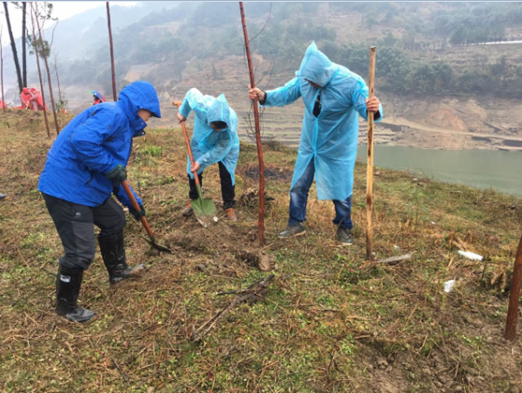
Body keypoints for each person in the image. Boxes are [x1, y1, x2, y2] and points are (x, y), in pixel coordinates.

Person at [38, 81, 161, 323]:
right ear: (139, 106)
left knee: (115, 218)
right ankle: (65, 307)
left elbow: (116, 175)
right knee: (80, 252)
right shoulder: (113, 114)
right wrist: (109, 167)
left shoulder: (124, 126)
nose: (148, 119)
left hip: (87, 185)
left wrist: (134, 204)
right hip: (67, 188)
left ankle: (118, 272)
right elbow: (82, 141)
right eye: (149, 113)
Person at [248, 42, 382, 246]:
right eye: (306, 80)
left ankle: (343, 227)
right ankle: (295, 223)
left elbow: (366, 111)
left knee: (341, 188)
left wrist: (373, 107)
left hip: (338, 145)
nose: (308, 84)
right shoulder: (305, 78)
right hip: (310, 143)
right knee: (299, 184)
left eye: (313, 81)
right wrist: (263, 96)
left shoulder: (352, 83)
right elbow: (287, 92)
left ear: (324, 75)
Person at [177, 88, 240, 221]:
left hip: (226, 146)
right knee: (193, 169)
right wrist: (183, 113)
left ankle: (229, 205)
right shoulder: (201, 106)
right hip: (200, 142)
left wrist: (202, 161)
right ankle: (194, 198)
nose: (217, 130)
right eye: (214, 126)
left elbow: (220, 149)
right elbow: (190, 92)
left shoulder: (230, 127)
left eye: (220, 128)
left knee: (227, 173)